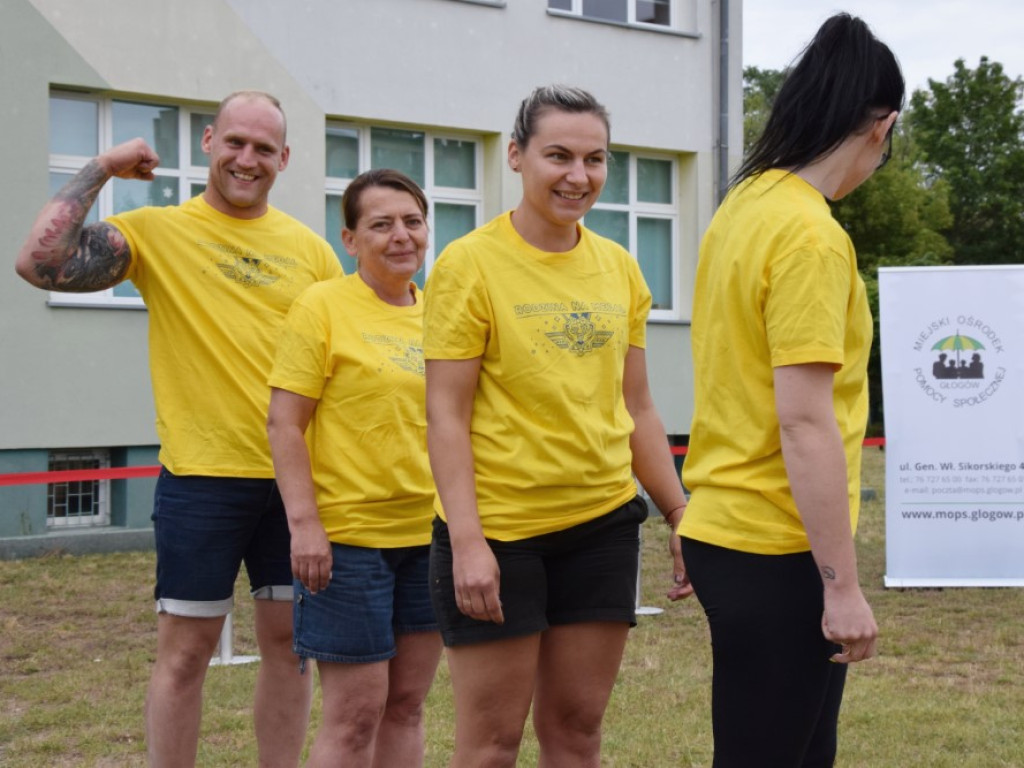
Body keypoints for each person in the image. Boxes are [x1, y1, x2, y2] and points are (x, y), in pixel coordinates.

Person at [15, 91, 343, 767]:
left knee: (289, 649)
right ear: (209, 144)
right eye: (235, 143)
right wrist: (103, 165)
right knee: (185, 654)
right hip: (202, 480)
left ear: (284, 159)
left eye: (262, 148)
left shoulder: (312, 254)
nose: (246, 159)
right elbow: (38, 264)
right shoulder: (158, 234)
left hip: (297, 486)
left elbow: (341, 368)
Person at [423, 84, 690, 768]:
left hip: (600, 526)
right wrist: (468, 543)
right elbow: (445, 414)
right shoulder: (468, 265)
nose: (579, 176)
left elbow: (638, 407)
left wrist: (678, 512)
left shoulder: (620, 269)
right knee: (491, 744)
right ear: (516, 156)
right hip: (500, 533)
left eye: (595, 159)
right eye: (559, 156)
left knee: (577, 734)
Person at [676, 14, 903, 767]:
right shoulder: (809, 235)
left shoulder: (743, 207)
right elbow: (804, 423)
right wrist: (841, 586)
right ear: (883, 126)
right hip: (776, 545)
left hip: (729, 528)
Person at [266, 169, 441, 768]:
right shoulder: (323, 306)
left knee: (409, 705)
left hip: (429, 538)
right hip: (349, 544)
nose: (401, 236)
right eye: (381, 224)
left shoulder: (442, 313)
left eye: (412, 222)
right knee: (355, 713)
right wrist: (305, 524)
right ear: (350, 238)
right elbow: (284, 424)